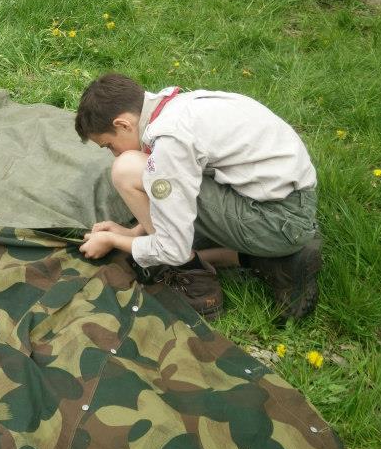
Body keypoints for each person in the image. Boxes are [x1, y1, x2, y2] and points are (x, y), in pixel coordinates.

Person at [74, 73, 320, 321]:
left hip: (277, 221)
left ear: (123, 125)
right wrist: (133, 233)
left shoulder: (171, 141)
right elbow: (187, 180)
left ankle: (195, 281)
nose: (113, 153)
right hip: (288, 205)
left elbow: (173, 249)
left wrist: (112, 241)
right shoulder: (178, 106)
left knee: (127, 169)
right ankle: (275, 262)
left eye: (109, 145)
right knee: (173, 214)